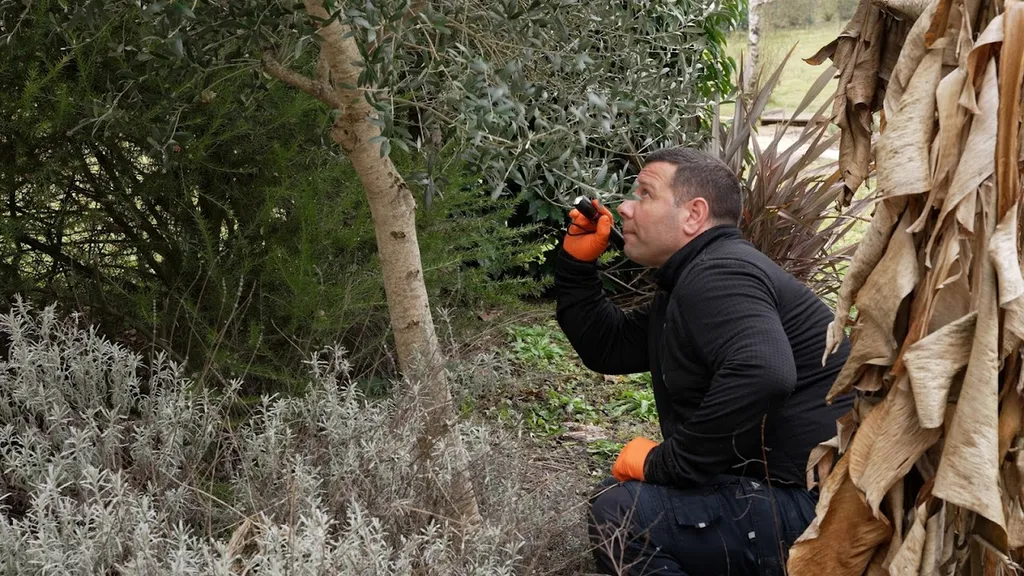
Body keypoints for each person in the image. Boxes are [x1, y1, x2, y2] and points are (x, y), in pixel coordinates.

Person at [554, 147, 853, 575]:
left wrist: (668, 463)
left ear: (694, 214)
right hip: (800, 501)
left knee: (624, 512)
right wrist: (577, 266)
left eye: (644, 194)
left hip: (820, 514)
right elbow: (610, 346)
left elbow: (764, 373)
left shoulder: (719, 273)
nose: (624, 208)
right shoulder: (700, 276)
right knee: (623, 500)